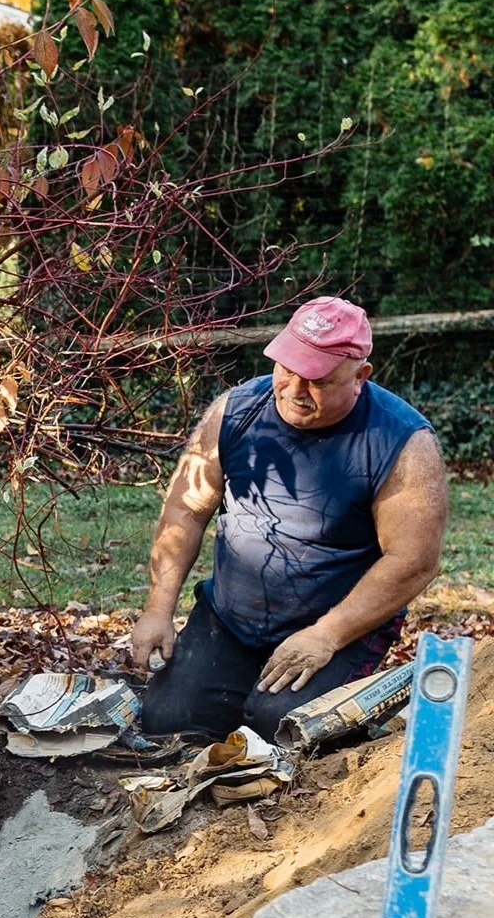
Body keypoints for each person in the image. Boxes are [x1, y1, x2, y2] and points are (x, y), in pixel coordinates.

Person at [132, 296, 447, 745]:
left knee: (280, 728)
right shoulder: (236, 410)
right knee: (167, 721)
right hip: (232, 618)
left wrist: (327, 635)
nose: (295, 389)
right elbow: (187, 508)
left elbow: (414, 560)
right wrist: (158, 610)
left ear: (361, 375)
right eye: (287, 369)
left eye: (317, 379)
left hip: (336, 628)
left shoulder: (403, 442)